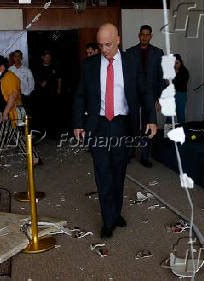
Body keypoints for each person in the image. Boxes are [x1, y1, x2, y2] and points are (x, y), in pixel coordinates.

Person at [73, 23, 157, 238]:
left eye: (108, 45)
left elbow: (145, 92)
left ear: (118, 40)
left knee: (119, 171)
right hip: (98, 125)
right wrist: (78, 124)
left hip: (122, 125)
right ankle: (108, 219)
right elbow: (80, 95)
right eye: (101, 45)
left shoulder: (132, 62)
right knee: (103, 172)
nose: (104, 50)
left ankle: (115, 212)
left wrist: (151, 119)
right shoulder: (90, 64)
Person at [0, 55, 40, 178]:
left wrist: (5, 113)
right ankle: (34, 157)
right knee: (18, 137)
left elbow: (12, 96)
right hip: (3, 112)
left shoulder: (9, 77)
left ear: (1, 66)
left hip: (6, 113)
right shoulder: (1, 77)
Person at [126, 25, 164, 168]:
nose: (144, 37)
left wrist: (159, 98)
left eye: (147, 35)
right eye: (142, 34)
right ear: (139, 35)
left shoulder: (158, 53)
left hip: (150, 94)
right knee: (132, 123)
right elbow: (126, 76)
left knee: (149, 125)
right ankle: (129, 152)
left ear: (151, 36)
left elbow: (161, 77)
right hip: (133, 94)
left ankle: (145, 156)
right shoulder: (130, 53)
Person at [33, 50, 62, 138]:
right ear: (42, 57)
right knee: (42, 113)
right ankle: (42, 133)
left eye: (49, 57)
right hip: (41, 94)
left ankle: (52, 133)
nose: (48, 58)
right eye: (46, 57)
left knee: (52, 112)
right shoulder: (38, 67)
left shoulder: (54, 67)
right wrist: (40, 83)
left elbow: (59, 78)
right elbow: (35, 78)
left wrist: (59, 88)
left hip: (52, 93)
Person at [9, 50, 35, 114]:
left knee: (25, 116)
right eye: (15, 56)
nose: (17, 58)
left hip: (24, 97)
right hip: (13, 97)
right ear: (13, 58)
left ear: (22, 57)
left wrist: (27, 93)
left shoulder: (27, 70)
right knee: (15, 115)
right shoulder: (10, 70)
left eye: (19, 56)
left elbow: (32, 84)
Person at [173, 54, 189, 123]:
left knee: (180, 115)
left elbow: (179, 83)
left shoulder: (184, 72)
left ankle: (181, 132)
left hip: (181, 95)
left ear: (180, 62)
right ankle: (167, 133)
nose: (175, 65)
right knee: (169, 116)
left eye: (177, 63)